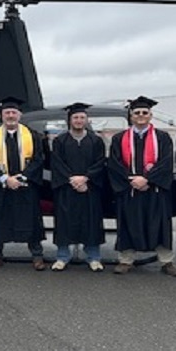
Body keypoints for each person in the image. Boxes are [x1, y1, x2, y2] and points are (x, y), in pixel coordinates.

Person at [107, 96, 176, 276]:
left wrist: (147, 180)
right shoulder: (120, 138)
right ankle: (126, 260)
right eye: (137, 113)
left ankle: (166, 261)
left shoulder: (162, 137)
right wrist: (132, 180)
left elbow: (166, 162)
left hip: (155, 190)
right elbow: (114, 164)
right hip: (129, 190)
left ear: (150, 115)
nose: (141, 116)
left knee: (160, 225)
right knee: (128, 224)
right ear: (131, 116)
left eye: (144, 113)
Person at [0, 96, 47, 270]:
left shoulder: (32, 135)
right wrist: (5, 179)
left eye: (13, 112)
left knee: (31, 219)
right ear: (1, 116)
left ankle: (37, 255)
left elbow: (39, 159)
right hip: (0, 186)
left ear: (20, 114)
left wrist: (23, 177)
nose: (10, 115)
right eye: (7, 112)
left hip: (26, 185)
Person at [49, 102, 107, 272]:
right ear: (70, 119)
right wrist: (72, 179)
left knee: (91, 223)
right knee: (64, 222)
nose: (79, 120)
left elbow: (100, 162)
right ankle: (62, 257)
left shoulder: (96, 140)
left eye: (82, 117)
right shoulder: (60, 141)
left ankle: (94, 257)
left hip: (90, 188)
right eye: (75, 117)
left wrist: (86, 178)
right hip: (66, 188)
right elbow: (57, 163)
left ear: (87, 120)